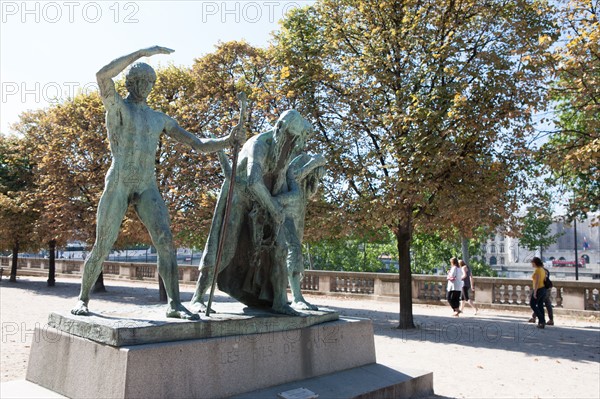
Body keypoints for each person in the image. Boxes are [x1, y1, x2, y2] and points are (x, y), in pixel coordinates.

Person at [71, 46, 243, 320]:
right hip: (119, 181)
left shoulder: (158, 119)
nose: (146, 87)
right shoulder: (117, 107)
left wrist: (226, 141)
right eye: (140, 81)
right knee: (103, 243)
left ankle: (174, 304)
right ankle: (83, 299)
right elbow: (102, 76)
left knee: (165, 241)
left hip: (147, 184)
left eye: (150, 82)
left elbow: (196, 144)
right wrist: (141, 53)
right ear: (130, 82)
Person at [190, 110, 314, 315]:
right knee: (225, 246)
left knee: (280, 248)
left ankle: (280, 301)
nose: (292, 144)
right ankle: (198, 297)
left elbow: (280, 178)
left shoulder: (285, 149)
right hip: (239, 193)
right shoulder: (259, 145)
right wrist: (273, 207)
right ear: (280, 129)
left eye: (296, 140)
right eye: (291, 138)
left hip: (265, 198)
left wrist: (276, 207)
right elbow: (253, 180)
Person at [529, 256, 547, 328]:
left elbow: (537, 282)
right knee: (540, 305)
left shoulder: (537, 270)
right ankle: (542, 322)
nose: (532, 265)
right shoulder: (542, 269)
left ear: (535, 263)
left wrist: (535, 292)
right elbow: (544, 279)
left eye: (532, 263)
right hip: (543, 289)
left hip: (538, 289)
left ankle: (542, 320)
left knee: (532, 304)